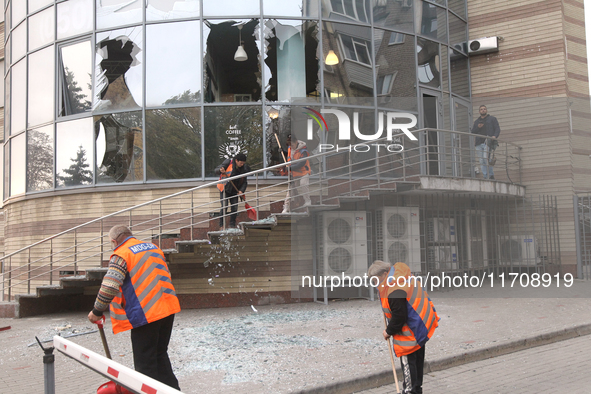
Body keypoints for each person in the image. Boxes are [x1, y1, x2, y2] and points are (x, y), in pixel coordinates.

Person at [88, 225, 181, 390]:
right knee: (159, 355)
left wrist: (96, 311)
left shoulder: (121, 254)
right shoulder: (153, 248)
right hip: (167, 308)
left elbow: (110, 286)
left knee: (145, 364)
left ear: (114, 241)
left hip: (146, 313)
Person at [368, 260, 439, 394]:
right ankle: (417, 390)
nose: (375, 283)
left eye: (376, 279)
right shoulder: (400, 273)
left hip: (409, 334)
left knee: (409, 366)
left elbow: (399, 318)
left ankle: (410, 391)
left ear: (384, 274)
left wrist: (388, 332)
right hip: (420, 326)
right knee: (418, 362)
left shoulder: (394, 290)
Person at [215, 153, 250, 228]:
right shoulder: (228, 162)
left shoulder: (244, 169)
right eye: (241, 163)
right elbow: (217, 170)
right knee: (224, 206)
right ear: (236, 160)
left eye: (243, 163)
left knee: (234, 208)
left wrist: (241, 191)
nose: (242, 164)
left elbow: (244, 182)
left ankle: (232, 225)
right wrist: (220, 170)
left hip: (235, 191)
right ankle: (221, 225)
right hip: (224, 188)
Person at [280, 134, 311, 213]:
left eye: (293, 145)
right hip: (294, 174)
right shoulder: (290, 148)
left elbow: (301, 163)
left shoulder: (303, 151)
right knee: (290, 190)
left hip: (304, 172)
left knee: (303, 184)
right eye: (290, 145)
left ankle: (307, 201)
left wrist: (290, 168)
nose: (292, 147)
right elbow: (290, 156)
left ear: (296, 142)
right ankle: (286, 207)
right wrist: (282, 151)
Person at [471, 105, 501, 180]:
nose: (483, 110)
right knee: (481, 160)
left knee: (485, 158)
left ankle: (490, 175)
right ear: (479, 111)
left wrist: (494, 136)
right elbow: (473, 131)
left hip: (488, 141)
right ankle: (485, 176)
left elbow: (497, 128)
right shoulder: (477, 121)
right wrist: (478, 127)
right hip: (479, 143)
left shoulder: (492, 119)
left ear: (486, 110)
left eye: (484, 109)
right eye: (481, 109)